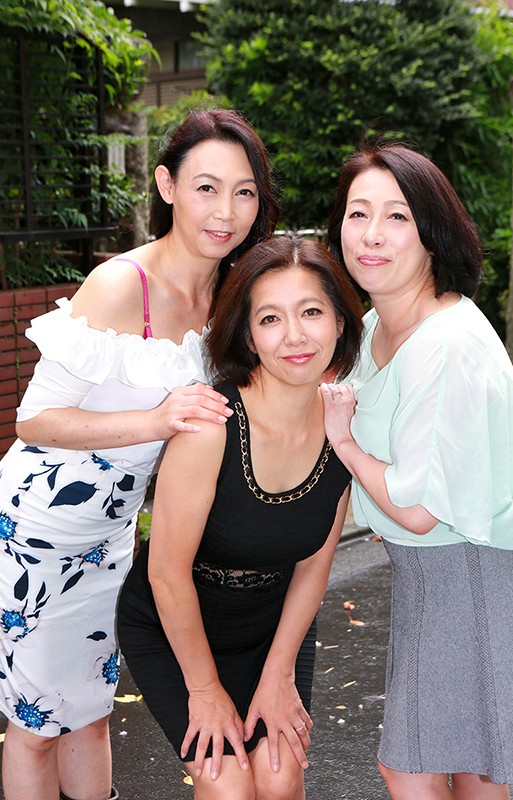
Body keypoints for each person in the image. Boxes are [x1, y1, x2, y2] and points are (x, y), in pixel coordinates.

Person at [0, 108, 281, 800]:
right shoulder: (122, 284)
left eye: (244, 192)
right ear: (166, 185)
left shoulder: (230, 292)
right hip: (39, 528)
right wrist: (154, 419)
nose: (225, 211)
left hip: (112, 537)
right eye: (206, 188)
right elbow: (34, 420)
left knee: (90, 711)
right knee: (36, 725)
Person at [117, 235, 363, 800]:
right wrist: (204, 691)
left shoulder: (344, 424)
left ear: (340, 323)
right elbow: (165, 575)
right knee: (227, 783)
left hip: (271, 630)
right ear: (249, 336)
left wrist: (279, 674)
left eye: (311, 312)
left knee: (279, 777)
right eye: (270, 318)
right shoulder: (212, 427)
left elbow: (314, 566)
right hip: (175, 627)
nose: (295, 336)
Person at [322, 141, 513, 800]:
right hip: (439, 576)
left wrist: (344, 443)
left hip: (472, 572)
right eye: (358, 214)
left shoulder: (444, 344)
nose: (371, 234)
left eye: (397, 216)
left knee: (411, 766)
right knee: (470, 766)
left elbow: (417, 509)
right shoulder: (379, 325)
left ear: (432, 235)